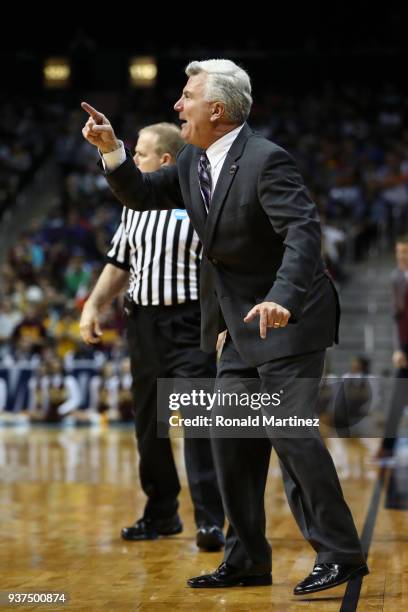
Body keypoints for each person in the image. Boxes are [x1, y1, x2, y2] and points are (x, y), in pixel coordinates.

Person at [81, 59, 368, 596]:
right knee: (229, 440)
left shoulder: (266, 160)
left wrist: (281, 298)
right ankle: (248, 559)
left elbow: (303, 234)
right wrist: (111, 150)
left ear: (216, 108)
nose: (177, 104)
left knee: (292, 437)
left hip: (290, 320)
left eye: (186, 96)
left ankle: (341, 553)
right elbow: (141, 194)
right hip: (239, 328)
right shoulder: (193, 162)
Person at [79, 122, 225, 551]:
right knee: (149, 426)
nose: (134, 162)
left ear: (165, 160)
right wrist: (93, 305)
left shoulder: (200, 199)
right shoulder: (133, 205)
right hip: (143, 324)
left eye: (139, 154)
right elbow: (119, 261)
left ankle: (211, 521)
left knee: (198, 422)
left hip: (191, 321)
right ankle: (161, 514)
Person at [376, 235, 408, 460]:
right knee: (397, 399)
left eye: (405, 253)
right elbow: (396, 317)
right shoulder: (396, 277)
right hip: (406, 347)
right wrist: (397, 349)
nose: (401, 257)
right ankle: (387, 447)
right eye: (398, 253)